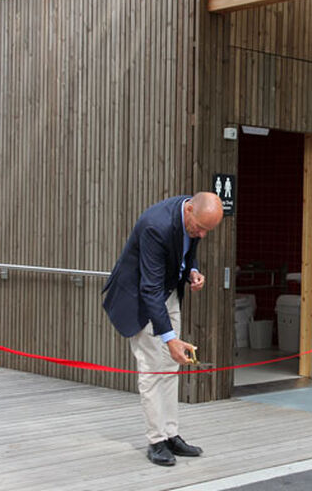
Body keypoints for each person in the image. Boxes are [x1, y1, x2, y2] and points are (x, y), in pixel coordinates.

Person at [102, 192, 223, 466]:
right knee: (152, 368)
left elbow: (187, 248)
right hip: (141, 298)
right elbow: (149, 288)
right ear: (189, 209)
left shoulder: (192, 216)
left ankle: (171, 433)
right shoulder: (155, 225)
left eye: (207, 230)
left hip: (167, 292)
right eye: (200, 228)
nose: (202, 235)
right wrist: (169, 338)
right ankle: (156, 440)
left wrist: (192, 269)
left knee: (171, 366)